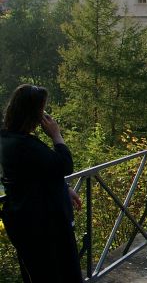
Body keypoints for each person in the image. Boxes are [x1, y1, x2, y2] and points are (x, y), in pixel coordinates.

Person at [0, 84, 83, 282]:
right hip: (43, 227)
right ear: (32, 114)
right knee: (58, 274)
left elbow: (36, 173)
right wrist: (57, 136)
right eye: (41, 109)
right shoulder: (25, 144)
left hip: (26, 223)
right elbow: (64, 165)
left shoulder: (8, 138)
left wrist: (64, 187)